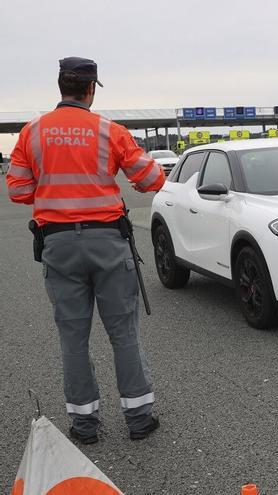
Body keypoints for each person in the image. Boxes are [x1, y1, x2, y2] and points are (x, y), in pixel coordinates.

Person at [6, 57, 165, 443]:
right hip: (108, 241)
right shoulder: (110, 130)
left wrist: (52, 192)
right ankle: (139, 419)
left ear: (60, 87)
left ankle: (84, 425)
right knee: (123, 332)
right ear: (91, 89)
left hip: (58, 244)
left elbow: (17, 190)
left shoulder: (32, 132)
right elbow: (151, 179)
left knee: (72, 337)